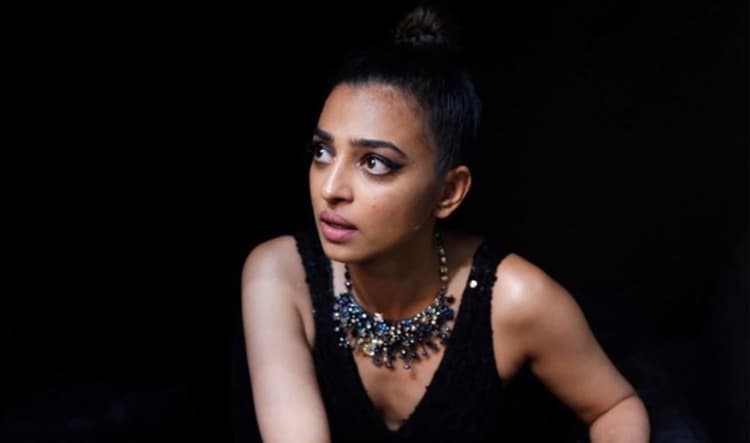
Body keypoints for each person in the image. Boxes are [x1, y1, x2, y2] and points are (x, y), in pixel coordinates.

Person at [241, 4, 650, 442]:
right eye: (323, 153)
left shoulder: (516, 300)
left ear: (448, 192)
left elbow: (615, 407)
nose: (330, 188)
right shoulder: (280, 276)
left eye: (375, 162)